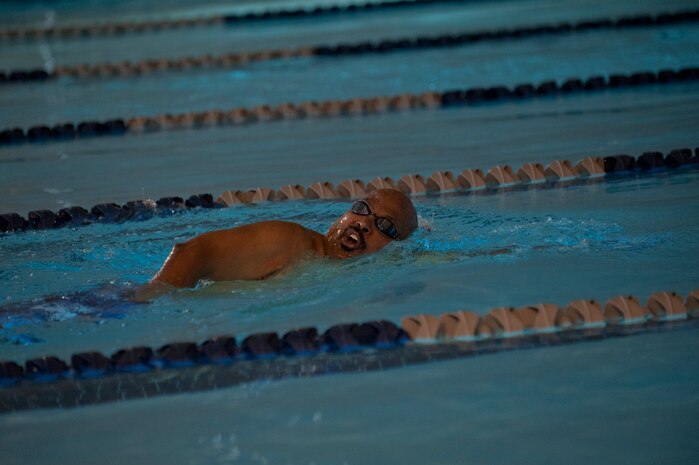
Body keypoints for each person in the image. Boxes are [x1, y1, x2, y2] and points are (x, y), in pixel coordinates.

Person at [134, 188, 418, 299]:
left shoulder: (346, 282)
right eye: (361, 207)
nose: (364, 222)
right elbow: (194, 253)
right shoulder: (292, 241)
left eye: (384, 225)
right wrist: (143, 301)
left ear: (397, 246)